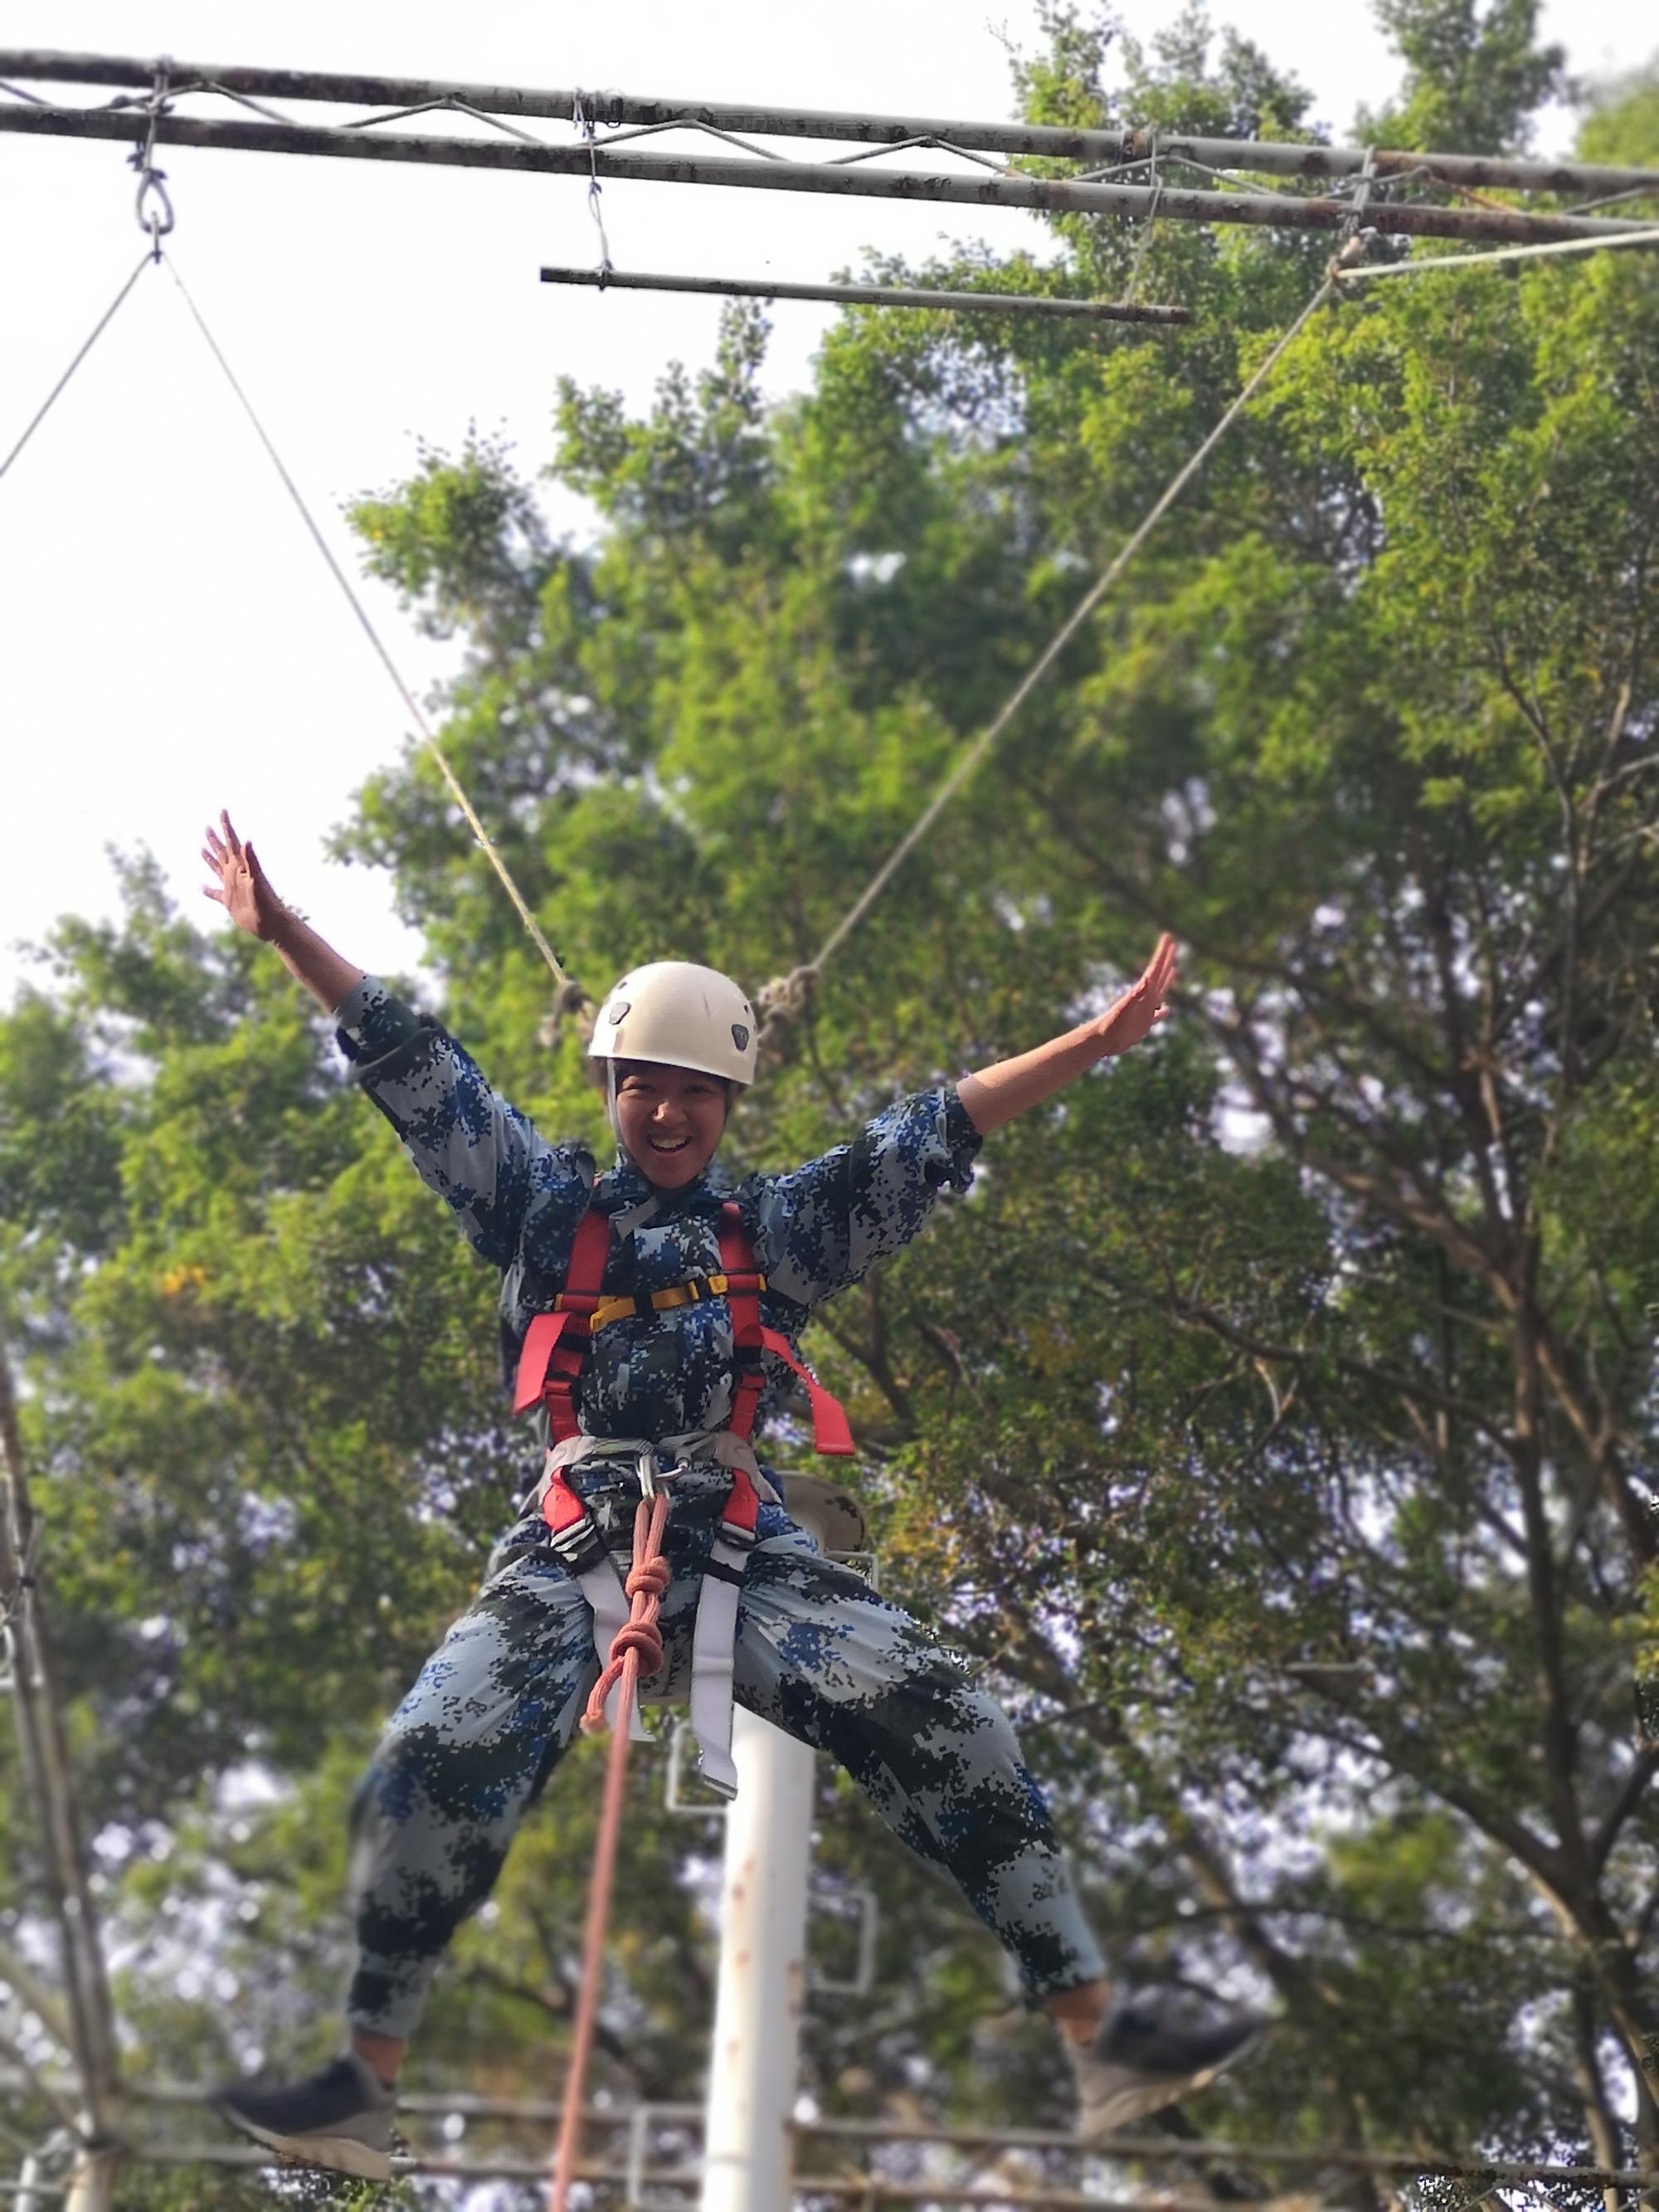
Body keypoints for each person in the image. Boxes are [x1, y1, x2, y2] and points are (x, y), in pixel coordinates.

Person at [200, 811, 1260, 2180]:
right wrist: (286, 931)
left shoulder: (776, 1229)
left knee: (942, 1708)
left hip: (747, 1544)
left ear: (729, 1107)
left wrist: (1090, 1047)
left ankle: (1098, 2028)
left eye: (697, 1091)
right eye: (646, 1083)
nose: (669, 1110)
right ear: (611, 1085)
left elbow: (926, 1135)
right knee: (428, 1758)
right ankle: (364, 2076)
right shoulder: (538, 1205)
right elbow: (416, 1066)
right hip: (575, 1544)